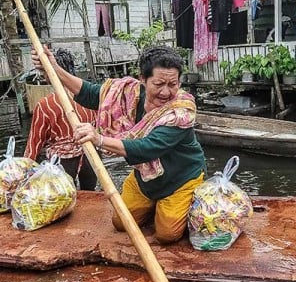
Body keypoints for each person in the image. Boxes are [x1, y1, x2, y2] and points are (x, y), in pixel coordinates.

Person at [32, 45, 206, 244]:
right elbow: (90, 93)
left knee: (167, 235)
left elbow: (148, 148)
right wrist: (53, 68)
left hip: (180, 179)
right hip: (146, 179)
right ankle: (153, 204)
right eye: (158, 84)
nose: (166, 92)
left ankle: (186, 200)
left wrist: (99, 140)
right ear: (142, 79)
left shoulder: (181, 111)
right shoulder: (127, 94)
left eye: (172, 84)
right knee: (119, 222)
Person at [24, 92, 98, 190]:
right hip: (91, 154)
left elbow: (35, 141)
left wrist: (24, 171)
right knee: (90, 191)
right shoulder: (88, 98)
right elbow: (100, 127)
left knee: (64, 194)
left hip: (64, 160)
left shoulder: (45, 104)